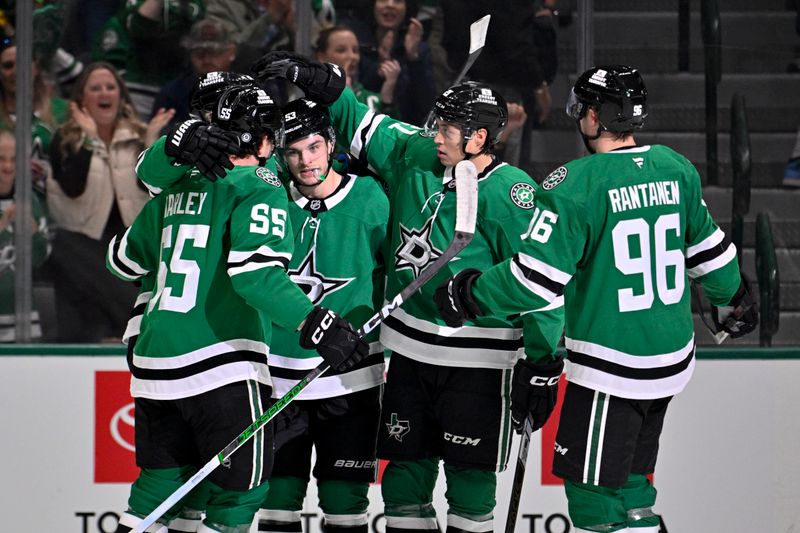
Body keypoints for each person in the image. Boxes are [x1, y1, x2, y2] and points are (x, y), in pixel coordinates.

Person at [433, 65, 759, 532]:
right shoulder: (674, 166)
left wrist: (468, 293)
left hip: (612, 363)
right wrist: (733, 302)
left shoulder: (576, 182)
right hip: (669, 360)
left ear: (591, 116)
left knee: (593, 497)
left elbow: (534, 281)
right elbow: (711, 253)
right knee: (632, 486)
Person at [253, 52, 563, 533]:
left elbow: (542, 285)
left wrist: (543, 362)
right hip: (410, 357)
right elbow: (363, 124)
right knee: (402, 486)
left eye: (448, 129)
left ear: (479, 137)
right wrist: (324, 87)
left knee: (470, 486)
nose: (435, 135)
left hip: (479, 363)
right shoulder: (415, 154)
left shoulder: (512, 194)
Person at [106, 85, 369, 533]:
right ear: (266, 141)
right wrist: (317, 323)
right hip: (220, 364)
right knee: (240, 492)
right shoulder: (260, 187)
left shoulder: (177, 186)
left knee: (161, 488)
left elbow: (121, 260)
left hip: (154, 363)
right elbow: (255, 276)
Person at [256, 98, 389, 533]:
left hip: (352, 378)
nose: (305, 161)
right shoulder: (269, 198)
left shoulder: (373, 198)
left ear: (331, 143)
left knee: (344, 500)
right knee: (276, 501)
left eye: (313, 148)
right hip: (278, 377)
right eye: (293, 153)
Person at [46, 61, 173, 342]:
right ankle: (112, 331)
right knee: (70, 253)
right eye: (95, 88)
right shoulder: (64, 139)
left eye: (110, 87)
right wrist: (89, 140)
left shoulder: (139, 136)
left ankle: (124, 329)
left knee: (128, 260)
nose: (104, 93)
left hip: (131, 238)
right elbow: (72, 187)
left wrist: (151, 146)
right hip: (84, 242)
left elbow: (152, 187)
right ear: (81, 100)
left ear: (120, 95)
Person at [347, 0, 436, 125]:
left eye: (398, 1)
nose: (390, 4)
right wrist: (379, 66)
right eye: (383, 0)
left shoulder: (419, 48)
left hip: (407, 126)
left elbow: (427, 104)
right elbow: (357, 90)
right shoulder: (356, 42)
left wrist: (414, 58)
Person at [0, 130, 50, 342]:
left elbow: (41, 258)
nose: (8, 167)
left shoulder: (30, 200)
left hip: (23, 318)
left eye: (13, 159)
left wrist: (31, 228)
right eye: (1, 159)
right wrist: (3, 224)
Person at [151, 18, 238, 135]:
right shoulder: (172, 94)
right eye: (199, 52)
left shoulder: (247, 91)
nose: (207, 59)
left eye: (214, 52)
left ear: (231, 52)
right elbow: (158, 135)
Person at [315, 25, 400, 118]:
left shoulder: (373, 99)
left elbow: (395, 130)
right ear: (322, 57)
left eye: (355, 50)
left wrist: (387, 100)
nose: (352, 56)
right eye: (341, 50)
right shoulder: (313, 98)